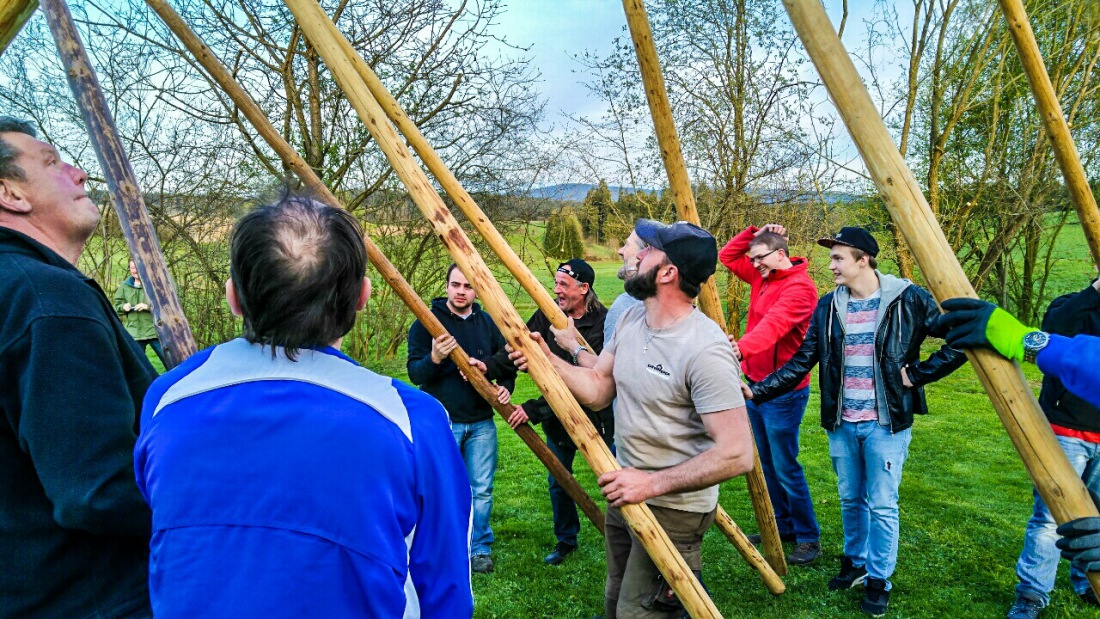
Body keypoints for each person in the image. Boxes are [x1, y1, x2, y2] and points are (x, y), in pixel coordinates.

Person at [134, 195, 473, 618]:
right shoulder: (414, 423)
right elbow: (445, 589)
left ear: (233, 297)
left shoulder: (167, 399)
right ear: (361, 298)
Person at [512, 219, 754, 619]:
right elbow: (598, 388)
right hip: (627, 492)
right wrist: (546, 360)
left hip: (675, 507)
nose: (634, 254)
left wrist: (651, 483)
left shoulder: (704, 347)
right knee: (615, 604)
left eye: (647, 250)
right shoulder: (630, 319)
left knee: (641, 613)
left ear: (668, 272)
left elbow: (737, 454)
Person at [745, 226, 966, 617]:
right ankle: (855, 563)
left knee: (882, 504)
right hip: (842, 421)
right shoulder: (829, 305)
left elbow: (961, 338)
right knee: (850, 498)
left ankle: (880, 578)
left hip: (886, 424)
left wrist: (918, 375)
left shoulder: (907, 299)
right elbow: (802, 360)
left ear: (863, 259)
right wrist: (757, 390)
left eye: (837, 258)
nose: (830, 265)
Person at [0, 117, 157, 618]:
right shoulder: (46, 298)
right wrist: (221, 494)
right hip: (88, 597)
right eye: (51, 162)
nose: (79, 172)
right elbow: (98, 490)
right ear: (11, 194)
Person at [932, 289, 1100, 616]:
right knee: (1052, 519)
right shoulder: (1070, 302)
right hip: (1065, 429)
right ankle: (1032, 594)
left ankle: (1087, 581)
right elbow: (1058, 326)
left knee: (1093, 525)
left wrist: (1027, 340)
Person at [718, 223, 821, 564]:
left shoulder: (800, 289)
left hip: (784, 392)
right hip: (754, 388)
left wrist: (738, 350)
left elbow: (773, 326)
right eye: (754, 259)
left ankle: (808, 538)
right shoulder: (762, 276)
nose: (755, 264)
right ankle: (780, 525)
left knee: (785, 465)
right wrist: (753, 233)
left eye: (760, 258)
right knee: (766, 462)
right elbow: (726, 255)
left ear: (781, 254)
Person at [503, 258, 613, 566]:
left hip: (597, 418)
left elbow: (588, 386)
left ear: (584, 288)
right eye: (555, 283)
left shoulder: (603, 324)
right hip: (559, 420)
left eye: (563, 285)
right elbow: (517, 346)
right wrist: (492, 365)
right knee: (559, 479)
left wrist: (532, 408)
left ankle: (624, 538)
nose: (556, 290)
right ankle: (566, 539)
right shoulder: (548, 313)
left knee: (613, 481)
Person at [407, 263, 516, 574]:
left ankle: (479, 547)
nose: (460, 291)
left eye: (467, 286)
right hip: (444, 422)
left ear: (476, 291)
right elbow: (416, 372)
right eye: (455, 285)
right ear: (446, 286)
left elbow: (507, 364)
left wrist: (504, 388)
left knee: (481, 488)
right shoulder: (427, 323)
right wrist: (436, 357)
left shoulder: (487, 323)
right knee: (441, 486)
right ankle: (440, 547)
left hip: (481, 422)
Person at [114, 259, 167, 365]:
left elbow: (165, 307)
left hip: (154, 331)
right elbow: (117, 307)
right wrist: (123, 307)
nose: (135, 270)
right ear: (129, 269)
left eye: (137, 267)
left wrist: (148, 307)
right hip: (134, 332)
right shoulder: (124, 286)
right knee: (136, 365)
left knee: (170, 362)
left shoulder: (154, 284)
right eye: (133, 268)